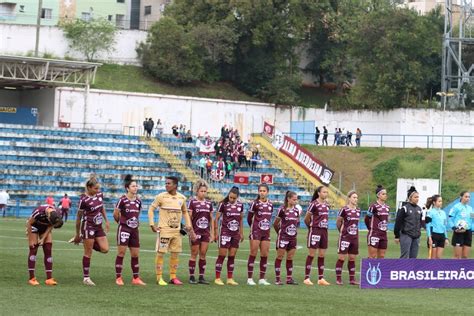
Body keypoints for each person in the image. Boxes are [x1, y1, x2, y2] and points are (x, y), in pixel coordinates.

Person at [148, 176, 194, 286]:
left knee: (175, 254)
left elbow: (185, 212)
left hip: (177, 231)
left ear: (175, 185)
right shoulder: (161, 197)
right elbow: (151, 209)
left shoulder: (182, 198)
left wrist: (188, 224)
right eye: (166, 183)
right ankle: (159, 278)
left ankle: (173, 277)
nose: (166, 185)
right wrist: (152, 224)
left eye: (169, 183)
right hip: (164, 231)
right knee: (161, 253)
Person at [71, 177, 110, 286]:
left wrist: (106, 221)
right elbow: (78, 218)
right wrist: (77, 234)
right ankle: (86, 278)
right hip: (88, 227)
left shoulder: (99, 195)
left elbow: (101, 207)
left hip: (98, 227)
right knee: (88, 253)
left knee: (105, 249)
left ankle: (86, 241)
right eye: (95, 188)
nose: (98, 191)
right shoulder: (83, 200)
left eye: (98, 188)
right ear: (89, 187)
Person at [113, 175, 146, 286]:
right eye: (133, 186)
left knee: (135, 254)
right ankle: (118, 277)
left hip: (134, 230)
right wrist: (122, 223)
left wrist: (135, 222)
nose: (135, 188)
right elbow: (115, 214)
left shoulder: (139, 201)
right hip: (124, 229)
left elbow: (138, 214)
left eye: (136, 186)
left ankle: (136, 278)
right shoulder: (122, 200)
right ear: (127, 188)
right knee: (121, 253)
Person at [26, 204, 63, 286]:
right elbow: (29, 223)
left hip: (45, 228)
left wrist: (43, 239)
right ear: (48, 216)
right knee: (33, 248)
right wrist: (29, 238)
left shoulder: (57, 213)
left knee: (48, 249)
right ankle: (32, 278)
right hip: (33, 226)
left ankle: (49, 279)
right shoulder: (38, 212)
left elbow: (51, 225)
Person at [214, 186, 244, 286]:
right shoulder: (223, 204)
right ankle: (217, 278)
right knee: (222, 255)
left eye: (234, 198)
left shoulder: (240, 205)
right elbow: (216, 219)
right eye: (230, 197)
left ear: (237, 197)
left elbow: (240, 220)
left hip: (235, 234)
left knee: (232, 256)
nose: (231, 199)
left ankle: (229, 278)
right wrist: (216, 233)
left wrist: (241, 233)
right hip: (225, 233)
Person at [187, 180, 214, 285]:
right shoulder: (192, 202)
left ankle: (201, 277)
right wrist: (191, 232)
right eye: (201, 191)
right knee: (194, 253)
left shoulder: (209, 204)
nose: (203, 193)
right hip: (195, 232)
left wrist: (212, 233)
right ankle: (192, 276)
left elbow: (211, 219)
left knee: (203, 254)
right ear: (196, 191)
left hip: (205, 233)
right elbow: (189, 218)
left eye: (205, 191)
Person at [303, 186, 331, 286]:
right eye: (324, 192)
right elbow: (306, 219)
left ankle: (321, 278)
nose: (325, 194)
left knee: (322, 255)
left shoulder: (327, 204)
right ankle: (306, 278)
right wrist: (311, 228)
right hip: (315, 231)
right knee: (311, 254)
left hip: (324, 231)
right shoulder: (313, 204)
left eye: (326, 192)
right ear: (318, 193)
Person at [247, 184, 273, 286]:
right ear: (258, 192)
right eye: (260, 190)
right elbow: (249, 218)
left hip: (266, 233)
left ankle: (262, 278)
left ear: (267, 192)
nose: (262, 192)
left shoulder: (270, 204)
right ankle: (249, 278)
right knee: (253, 253)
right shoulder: (255, 203)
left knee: (265, 254)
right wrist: (254, 228)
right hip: (256, 232)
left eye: (264, 191)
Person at [273, 191, 299, 285]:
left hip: (293, 238)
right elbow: (275, 224)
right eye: (294, 199)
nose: (296, 201)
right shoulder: (282, 210)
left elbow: (297, 223)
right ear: (288, 199)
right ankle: (277, 279)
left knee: (290, 257)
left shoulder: (296, 211)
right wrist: (280, 233)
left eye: (296, 199)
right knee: (280, 256)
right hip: (283, 237)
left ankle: (289, 279)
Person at [335, 191, 360, 285]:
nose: (356, 199)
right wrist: (342, 232)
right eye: (354, 197)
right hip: (345, 237)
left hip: (354, 238)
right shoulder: (344, 209)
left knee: (352, 258)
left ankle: (352, 279)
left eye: (356, 197)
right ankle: (338, 279)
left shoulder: (358, 210)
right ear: (349, 198)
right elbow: (338, 222)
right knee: (342, 258)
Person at [394, 186, 423, 259]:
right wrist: (397, 235)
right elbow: (398, 222)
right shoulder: (404, 208)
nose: (417, 199)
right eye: (415, 197)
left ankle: (411, 270)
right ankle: (402, 270)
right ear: (410, 198)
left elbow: (420, 222)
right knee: (405, 256)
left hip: (416, 236)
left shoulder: (419, 209)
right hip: (406, 235)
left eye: (418, 197)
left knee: (413, 257)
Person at [365, 185, 390, 258]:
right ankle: (367, 269)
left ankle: (379, 269)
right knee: (372, 256)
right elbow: (367, 218)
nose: (385, 195)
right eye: (383, 194)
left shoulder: (387, 207)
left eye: (386, 194)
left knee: (382, 256)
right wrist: (370, 229)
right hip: (374, 234)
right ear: (378, 195)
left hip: (383, 234)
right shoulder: (373, 206)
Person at [448, 191, 472, 259]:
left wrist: (472, 229)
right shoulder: (456, 207)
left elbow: (472, 220)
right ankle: (454, 269)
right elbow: (450, 218)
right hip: (459, 232)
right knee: (457, 256)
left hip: (468, 233)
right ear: (461, 197)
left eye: (469, 197)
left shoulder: (470, 209)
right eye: (466, 196)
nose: (468, 198)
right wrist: (454, 228)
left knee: (465, 256)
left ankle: (462, 269)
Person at [425, 195, 449, 259]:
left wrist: (446, 238)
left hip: (442, 236)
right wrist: (429, 237)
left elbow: (444, 226)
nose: (441, 203)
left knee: (438, 258)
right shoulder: (430, 212)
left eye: (441, 201)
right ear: (434, 202)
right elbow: (427, 225)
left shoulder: (443, 213)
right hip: (434, 236)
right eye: (439, 201)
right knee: (433, 258)